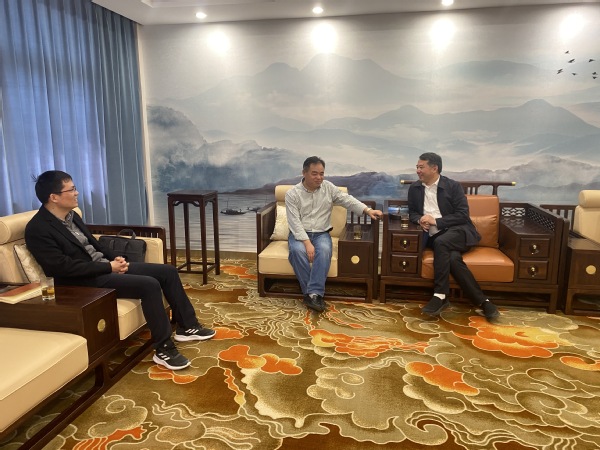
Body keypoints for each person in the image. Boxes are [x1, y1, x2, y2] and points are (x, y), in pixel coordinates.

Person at [25, 170, 215, 371]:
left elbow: (95, 244)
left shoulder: (72, 216)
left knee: (168, 271)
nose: (77, 193)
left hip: (104, 267)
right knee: (149, 285)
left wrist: (115, 258)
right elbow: (61, 267)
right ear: (54, 197)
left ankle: (188, 326)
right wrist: (108, 267)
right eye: (71, 190)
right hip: (82, 281)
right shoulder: (38, 229)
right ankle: (164, 349)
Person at [407, 152, 500, 321]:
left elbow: (462, 215)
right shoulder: (414, 188)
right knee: (452, 258)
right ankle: (484, 302)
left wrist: (436, 221)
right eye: (417, 167)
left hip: (459, 231)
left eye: (421, 167)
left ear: (434, 168)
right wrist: (419, 219)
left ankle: (440, 295)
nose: (418, 171)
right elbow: (412, 212)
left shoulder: (452, 186)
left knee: (442, 242)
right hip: (435, 237)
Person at [286, 156, 383, 312]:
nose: (319, 177)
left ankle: (312, 294)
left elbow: (347, 200)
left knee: (324, 251)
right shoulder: (292, 194)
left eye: (322, 174)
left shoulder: (328, 188)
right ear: (304, 173)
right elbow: (294, 222)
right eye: (314, 173)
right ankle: (313, 295)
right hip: (300, 234)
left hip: (321, 233)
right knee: (297, 252)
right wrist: (307, 243)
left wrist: (367, 210)